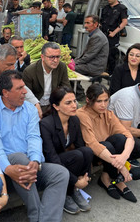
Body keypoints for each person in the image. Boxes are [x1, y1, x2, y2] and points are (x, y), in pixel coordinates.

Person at [0, 70, 69, 222]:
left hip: (29, 167)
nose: (25, 92)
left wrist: (35, 161)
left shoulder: (29, 109)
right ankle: (35, 215)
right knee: (19, 158)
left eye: (24, 87)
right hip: (4, 171)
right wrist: (8, 168)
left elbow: (34, 137)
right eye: (19, 88)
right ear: (5, 93)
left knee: (61, 173)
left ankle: (47, 220)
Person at [76, 83, 140, 203]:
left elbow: (128, 136)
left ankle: (107, 177)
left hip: (108, 155)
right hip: (91, 155)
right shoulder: (82, 114)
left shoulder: (108, 113)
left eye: (106, 100)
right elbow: (92, 144)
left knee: (121, 139)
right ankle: (117, 180)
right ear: (88, 100)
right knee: (107, 145)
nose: (103, 105)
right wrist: (121, 166)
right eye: (99, 101)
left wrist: (123, 158)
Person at [40, 86, 92, 214]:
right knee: (77, 155)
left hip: (65, 159)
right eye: (68, 103)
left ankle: (75, 188)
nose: (74, 105)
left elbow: (81, 145)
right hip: (50, 164)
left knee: (87, 151)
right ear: (56, 106)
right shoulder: (46, 124)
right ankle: (67, 193)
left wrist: (85, 176)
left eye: (74, 101)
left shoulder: (74, 119)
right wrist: (76, 181)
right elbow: (51, 157)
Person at [23, 42, 71, 114]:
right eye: (51, 57)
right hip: (36, 105)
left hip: (53, 104)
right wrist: (35, 105)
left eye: (58, 57)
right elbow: (26, 95)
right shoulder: (30, 71)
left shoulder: (61, 67)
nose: (55, 60)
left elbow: (66, 87)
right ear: (42, 57)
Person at [100, 0, 128, 75]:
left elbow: (124, 22)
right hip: (103, 34)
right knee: (102, 54)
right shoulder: (106, 8)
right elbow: (101, 20)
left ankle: (111, 74)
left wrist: (114, 32)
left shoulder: (121, 8)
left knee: (111, 56)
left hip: (112, 36)